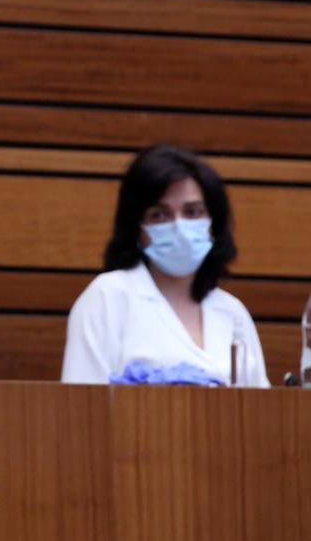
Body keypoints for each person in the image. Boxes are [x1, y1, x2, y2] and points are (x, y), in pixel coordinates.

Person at [62, 144, 269, 387]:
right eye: (159, 215)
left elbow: (258, 413)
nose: (179, 226)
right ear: (137, 228)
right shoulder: (108, 297)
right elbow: (80, 407)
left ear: (214, 223)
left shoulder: (233, 313)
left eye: (193, 212)